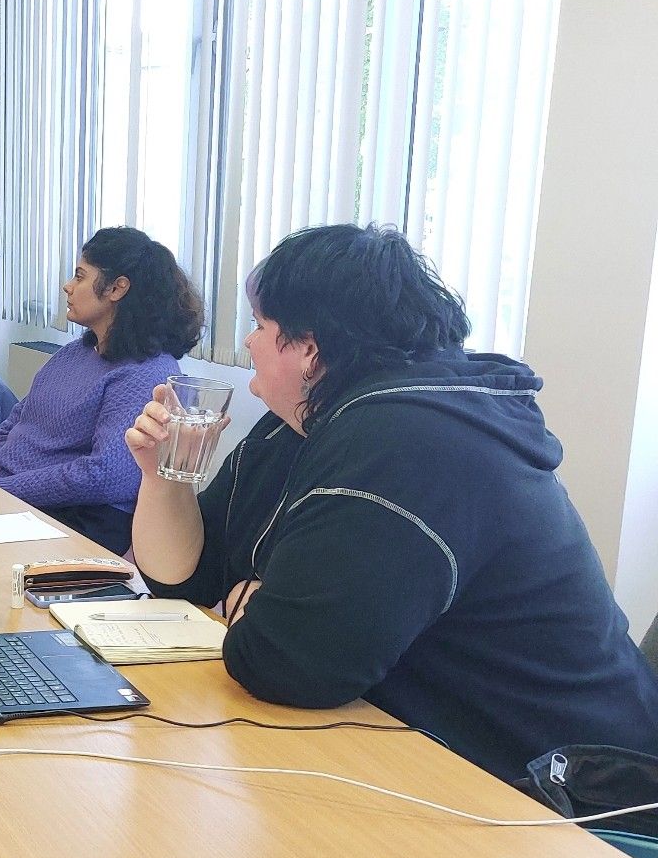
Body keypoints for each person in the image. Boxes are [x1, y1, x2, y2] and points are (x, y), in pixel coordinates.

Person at [126, 223, 658, 783]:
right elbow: (186, 582)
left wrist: (254, 607)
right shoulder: (299, 426)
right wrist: (164, 480)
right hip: (431, 757)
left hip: (570, 796)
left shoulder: (405, 440)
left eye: (260, 325)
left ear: (309, 348)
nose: (250, 343)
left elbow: (285, 664)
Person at [0, 228, 198, 553]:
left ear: (117, 288)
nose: (68, 286)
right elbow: (13, 424)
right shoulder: (73, 353)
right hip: (12, 497)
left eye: (80, 276)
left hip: (72, 518)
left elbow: (106, 476)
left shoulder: (147, 372)